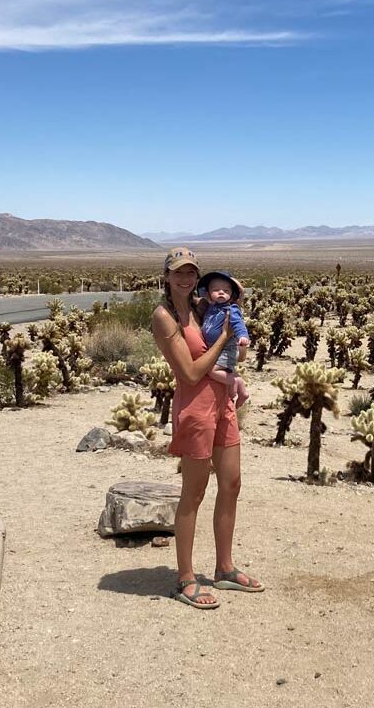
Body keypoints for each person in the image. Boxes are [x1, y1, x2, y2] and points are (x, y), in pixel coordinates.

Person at [150, 247, 265, 609]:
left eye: (190, 273)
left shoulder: (204, 307)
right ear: (166, 276)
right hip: (197, 410)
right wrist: (224, 338)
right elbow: (190, 372)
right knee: (194, 493)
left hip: (223, 405)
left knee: (231, 483)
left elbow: (238, 352)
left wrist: (236, 340)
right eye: (178, 273)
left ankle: (224, 567)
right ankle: (185, 578)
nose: (185, 279)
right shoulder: (164, 317)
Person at [197, 270, 251, 408]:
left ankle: (237, 381)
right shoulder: (212, 307)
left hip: (226, 348)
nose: (221, 292)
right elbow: (201, 292)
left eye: (226, 290)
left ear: (232, 294)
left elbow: (238, 324)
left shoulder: (231, 309)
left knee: (213, 371)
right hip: (214, 348)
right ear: (209, 294)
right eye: (216, 290)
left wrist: (243, 337)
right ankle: (237, 395)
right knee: (223, 377)